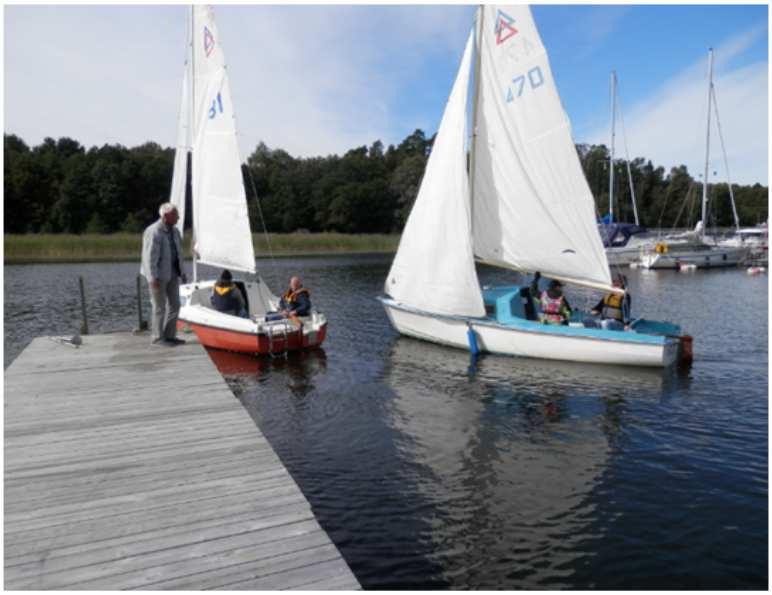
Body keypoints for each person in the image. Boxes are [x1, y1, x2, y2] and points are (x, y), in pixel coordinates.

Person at [140, 203, 186, 345]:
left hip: (173, 273)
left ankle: (169, 335)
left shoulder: (175, 231)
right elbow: (149, 257)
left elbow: (179, 254)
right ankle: (157, 337)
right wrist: (152, 277)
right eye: (175, 215)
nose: (178, 217)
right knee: (159, 306)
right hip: (158, 275)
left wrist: (183, 272)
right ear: (166, 216)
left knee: (176, 305)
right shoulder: (153, 231)